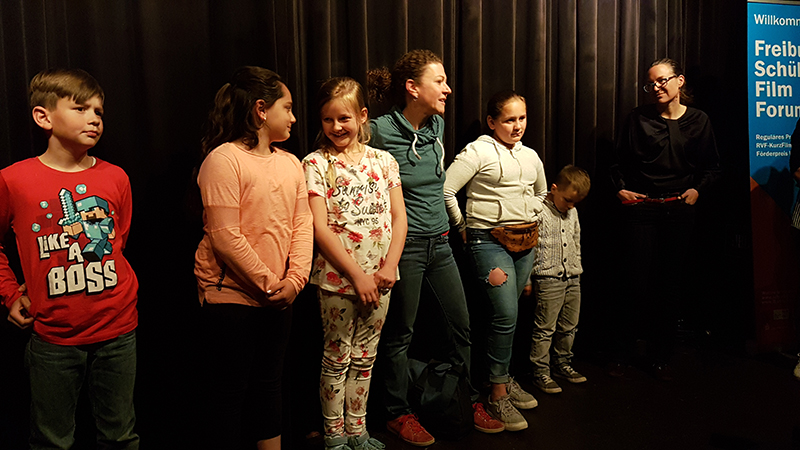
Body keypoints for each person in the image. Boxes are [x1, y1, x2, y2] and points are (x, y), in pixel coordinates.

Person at [368, 49, 504, 446]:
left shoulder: (436, 126)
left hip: (441, 243)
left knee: (461, 327)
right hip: (405, 248)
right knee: (400, 334)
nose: (447, 89)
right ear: (412, 88)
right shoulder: (379, 131)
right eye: (439, 81)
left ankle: (465, 399)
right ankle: (396, 413)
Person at [0, 68, 139, 449]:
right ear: (43, 116)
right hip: (53, 336)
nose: (94, 119)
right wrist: (10, 294)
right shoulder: (14, 180)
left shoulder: (116, 178)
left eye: (99, 111)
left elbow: (118, 241)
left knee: (120, 436)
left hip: (118, 328)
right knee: (51, 440)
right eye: (80, 108)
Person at [194, 66, 313, 450]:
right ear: (261, 109)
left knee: (269, 385)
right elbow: (226, 237)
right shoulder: (223, 160)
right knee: (229, 393)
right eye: (287, 108)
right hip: (232, 298)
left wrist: (295, 280)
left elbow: (303, 225)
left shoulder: (291, 163)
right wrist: (269, 284)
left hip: (279, 297)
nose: (293, 118)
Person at [302, 77, 407, 450]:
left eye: (344, 118)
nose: (336, 127)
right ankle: (334, 437)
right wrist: (357, 275)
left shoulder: (384, 161)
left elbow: (399, 217)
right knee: (337, 356)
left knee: (366, 356)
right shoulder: (315, 163)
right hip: (338, 279)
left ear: (362, 116)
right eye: (328, 120)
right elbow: (319, 226)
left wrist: (389, 266)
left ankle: (357, 431)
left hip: (381, 278)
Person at [610, 58, 720, 380]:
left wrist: (697, 191)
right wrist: (620, 189)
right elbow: (616, 163)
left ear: (679, 81)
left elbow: (713, 168)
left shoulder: (699, 120)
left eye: (662, 80)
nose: (656, 87)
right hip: (642, 209)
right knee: (634, 283)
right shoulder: (637, 118)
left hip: (678, 210)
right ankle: (623, 352)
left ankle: (661, 356)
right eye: (651, 83)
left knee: (669, 285)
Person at [442, 90, 545, 431]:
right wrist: (462, 227)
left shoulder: (530, 155)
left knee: (507, 318)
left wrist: (530, 211)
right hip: (488, 240)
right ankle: (497, 392)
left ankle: (499, 378)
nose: (517, 126)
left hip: (525, 241)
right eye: (509, 119)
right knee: (505, 314)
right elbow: (446, 189)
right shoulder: (478, 151)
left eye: (522, 118)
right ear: (491, 122)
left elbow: (542, 192)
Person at [528, 165, 591, 394]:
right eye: (568, 200)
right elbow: (530, 247)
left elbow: (576, 240)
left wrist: (577, 267)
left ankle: (562, 363)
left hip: (572, 277)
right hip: (548, 278)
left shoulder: (572, 213)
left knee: (569, 326)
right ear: (553, 189)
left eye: (575, 202)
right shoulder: (539, 210)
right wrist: (527, 279)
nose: (571, 206)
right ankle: (540, 372)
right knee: (545, 328)